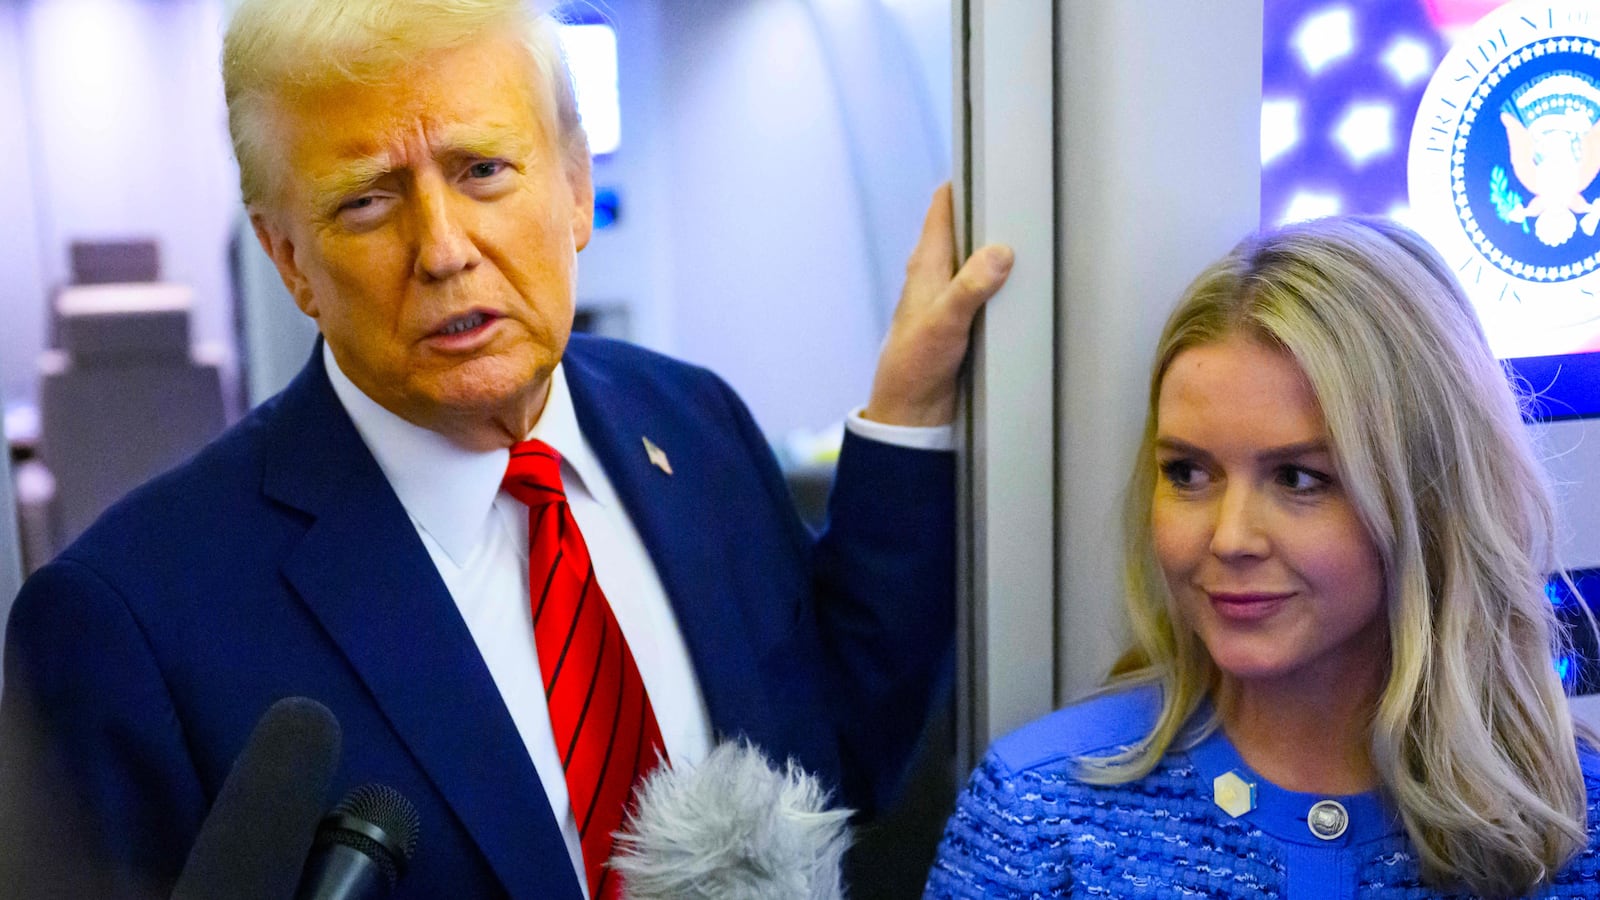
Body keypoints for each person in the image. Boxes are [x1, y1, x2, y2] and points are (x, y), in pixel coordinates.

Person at [0, 1, 1012, 898]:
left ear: (573, 186)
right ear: (288, 259)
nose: (443, 249)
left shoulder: (692, 424)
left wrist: (910, 411)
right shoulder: (127, 624)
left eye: (482, 169)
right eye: (366, 200)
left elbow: (837, 759)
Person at [924, 216, 1600, 899]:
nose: (1229, 538)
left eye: (1298, 478)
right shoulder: (1038, 814)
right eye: (1188, 473)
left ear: (1431, 496)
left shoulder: (1575, 822)